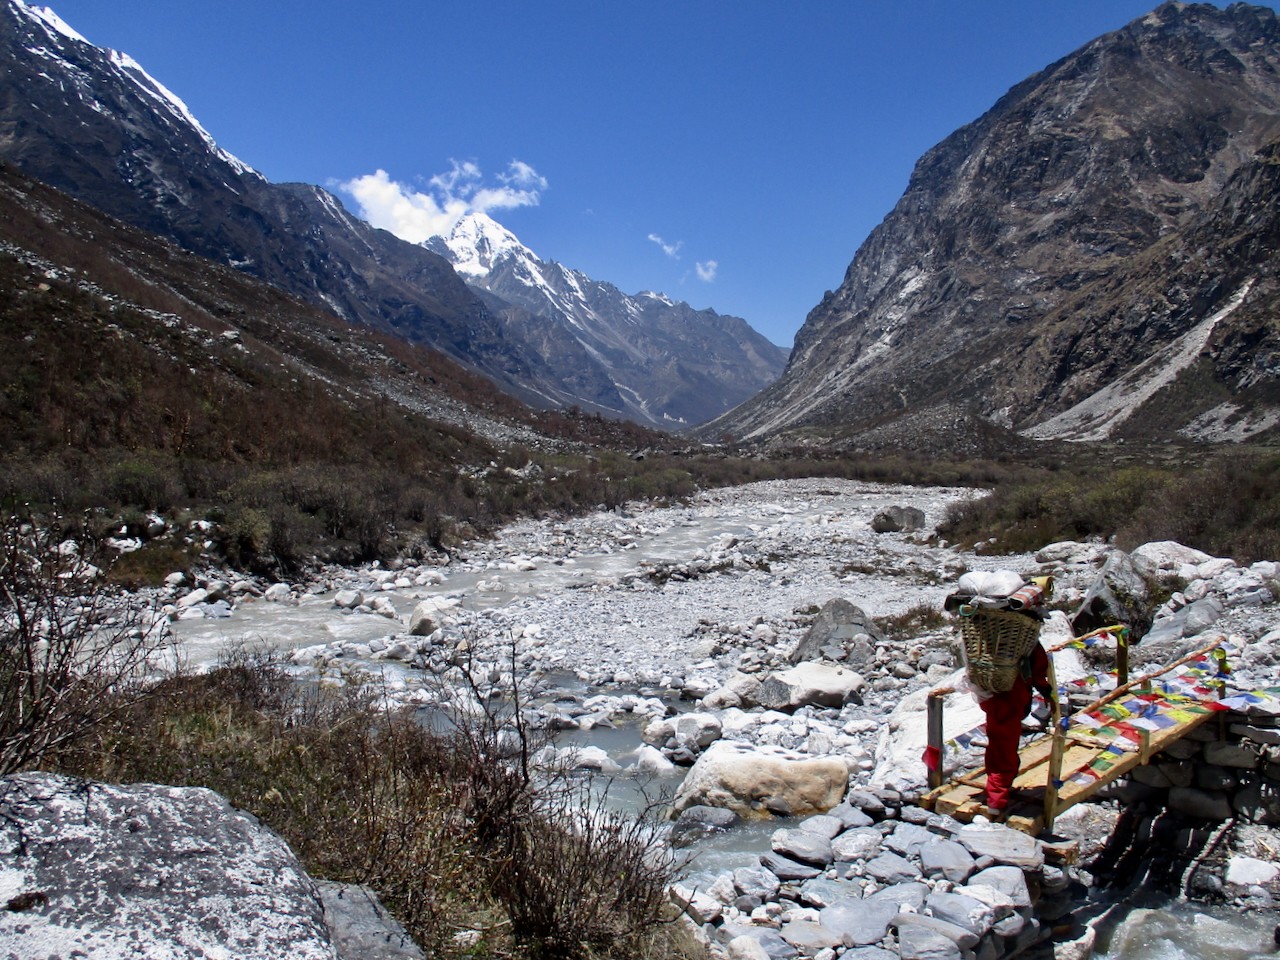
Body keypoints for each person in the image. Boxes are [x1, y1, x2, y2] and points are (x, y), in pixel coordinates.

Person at [979, 642, 1052, 815]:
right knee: (1005, 750)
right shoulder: (1026, 639)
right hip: (1012, 697)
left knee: (996, 743)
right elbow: (1039, 666)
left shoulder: (985, 638)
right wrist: (1045, 689)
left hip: (990, 696)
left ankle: (997, 791)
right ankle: (997, 803)